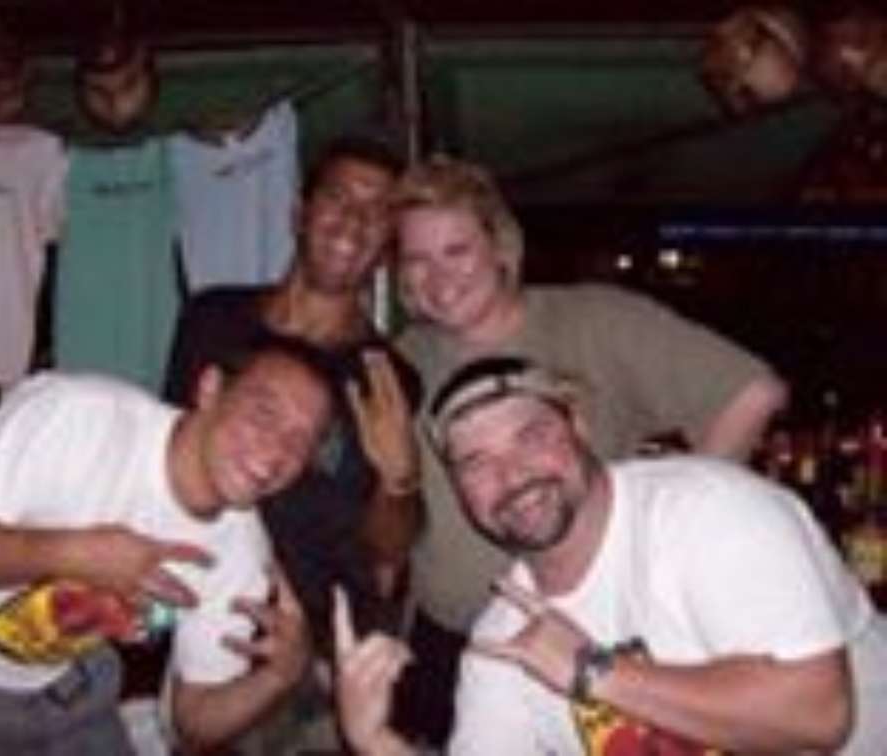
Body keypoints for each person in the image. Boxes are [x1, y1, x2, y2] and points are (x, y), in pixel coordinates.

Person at [389, 154, 789, 744]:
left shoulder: (593, 321)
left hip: (592, 641)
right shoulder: (401, 358)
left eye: (457, 250)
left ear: (500, 246)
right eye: (417, 259)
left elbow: (750, 393)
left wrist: (674, 537)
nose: (439, 276)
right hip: (452, 643)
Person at [334, 356, 887, 755]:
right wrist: (376, 740)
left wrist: (593, 672)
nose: (512, 474)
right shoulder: (506, 636)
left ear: (578, 426)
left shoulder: (708, 510)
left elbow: (819, 714)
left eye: (531, 436)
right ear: (459, 492)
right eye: (476, 463)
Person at [0, 345, 332, 754]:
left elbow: (193, 721)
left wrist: (277, 678)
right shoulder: (78, 417)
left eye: (301, 440)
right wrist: (71, 555)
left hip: (72, 688)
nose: (277, 451)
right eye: (263, 414)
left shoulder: (241, 550)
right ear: (210, 389)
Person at [164, 134, 422, 654]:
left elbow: (387, 552)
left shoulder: (387, 376)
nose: (353, 222)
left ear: (389, 246)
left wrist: (399, 481)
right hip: (197, 609)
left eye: (377, 212)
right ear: (300, 214)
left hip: (317, 642)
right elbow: (165, 456)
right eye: (337, 198)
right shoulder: (212, 318)